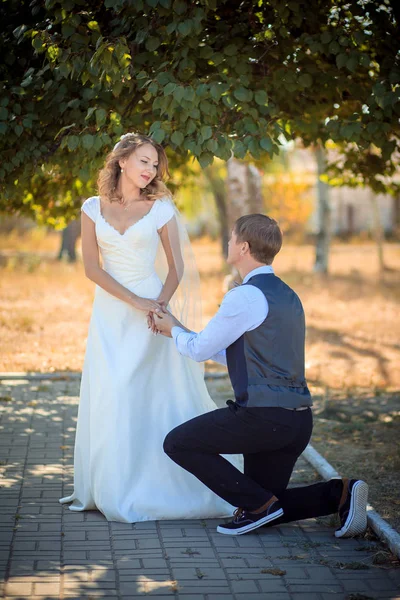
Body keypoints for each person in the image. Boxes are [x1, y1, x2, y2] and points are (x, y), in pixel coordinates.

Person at [154, 214, 369, 537]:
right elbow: (229, 353)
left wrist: (173, 330)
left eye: (230, 239)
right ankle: (338, 493)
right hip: (296, 422)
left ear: (243, 247)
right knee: (266, 502)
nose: (227, 244)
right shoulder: (287, 295)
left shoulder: (244, 295)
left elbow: (199, 351)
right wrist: (180, 331)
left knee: (179, 443)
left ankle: (259, 506)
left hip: (263, 418)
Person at [59, 132, 235, 522]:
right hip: (111, 313)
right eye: (143, 161)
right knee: (114, 390)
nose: (150, 170)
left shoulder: (160, 209)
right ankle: (112, 486)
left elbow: (177, 268)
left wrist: (159, 305)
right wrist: (132, 300)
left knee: (153, 393)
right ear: (122, 161)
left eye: (154, 164)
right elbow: (91, 268)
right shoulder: (91, 208)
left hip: (153, 313)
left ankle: (164, 481)